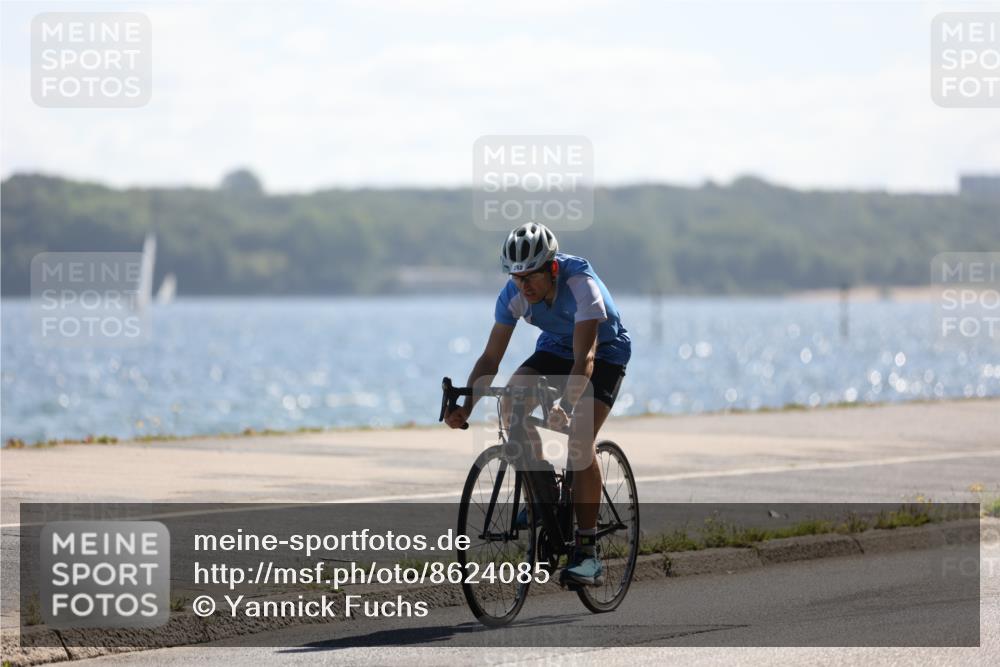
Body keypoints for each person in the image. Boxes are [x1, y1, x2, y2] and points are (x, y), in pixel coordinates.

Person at [444, 222, 631, 586]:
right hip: (554, 348)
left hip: (603, 353)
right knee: (511, 405)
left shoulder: (581, 285)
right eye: (516, 278)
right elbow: (490, 360)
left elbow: (585, 358)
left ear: (553, 269)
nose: (523, 285)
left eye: (530, 277)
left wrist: (566, 403)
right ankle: (543, 490)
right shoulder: (512, 296)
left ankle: (587, 553)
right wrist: (466, 405)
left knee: (579, 441)